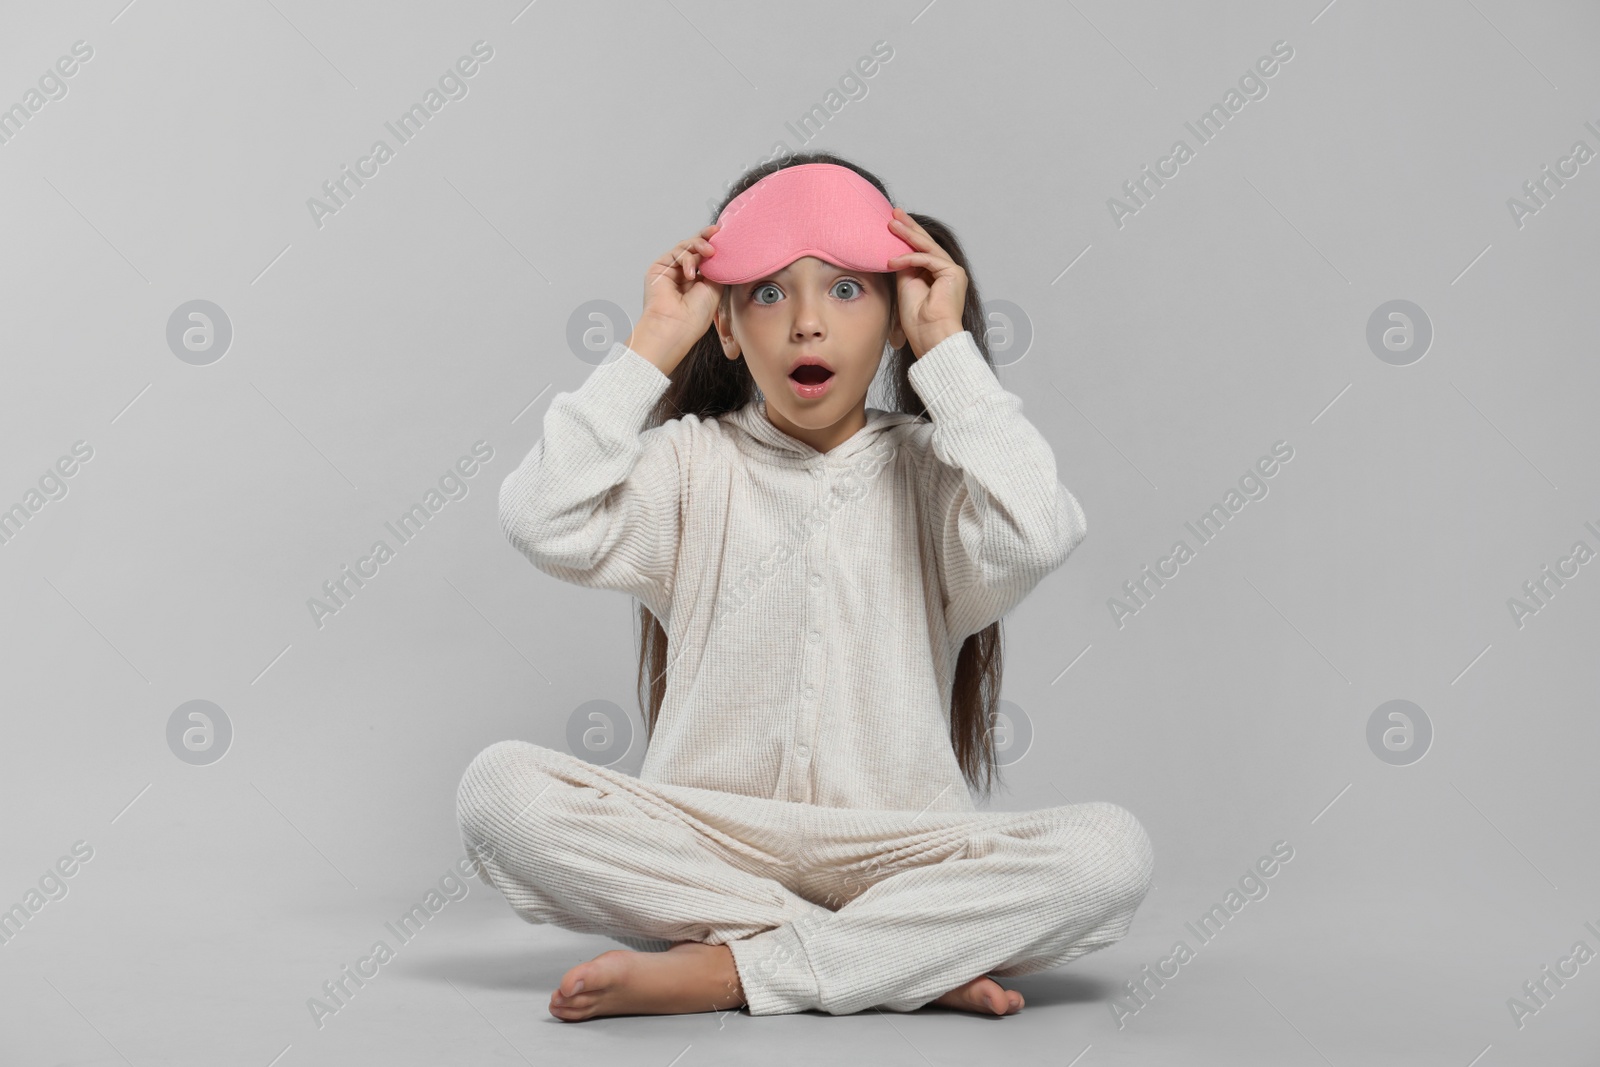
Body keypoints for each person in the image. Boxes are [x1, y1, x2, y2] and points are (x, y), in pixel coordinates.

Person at [455, 152, 1154, 1021]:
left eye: (849, 291)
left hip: (899, 855)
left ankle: (734, 970)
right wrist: (648, 346)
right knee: (497, 789)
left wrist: (948, 350)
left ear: (896, 318)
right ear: (727, 324)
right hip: (706, 840)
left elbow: (1038, 528)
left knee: (1111, 853)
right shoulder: (689, 466)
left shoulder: (938, 474)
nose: (808, 325)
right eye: (771, 293)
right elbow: (539, 517)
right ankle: (890, 957)